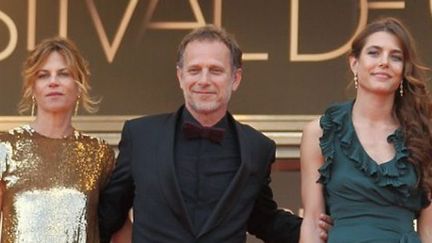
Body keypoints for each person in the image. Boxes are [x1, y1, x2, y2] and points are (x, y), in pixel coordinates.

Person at [98, 25, 331, 243]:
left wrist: (319, 228)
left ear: (235, 79)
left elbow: (262, 218)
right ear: (181, 77)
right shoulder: (141, 137)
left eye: (216, 71)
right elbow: (110, 213)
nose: (204, 80)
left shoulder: (257, 148)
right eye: (194, 70)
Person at [300, 17, 432, 242]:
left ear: (403, 70)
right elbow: (312, 222)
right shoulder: (320, 133)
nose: (384, 62)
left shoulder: (424, 134)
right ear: (354, 63)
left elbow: (429, 229)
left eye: (396, 57)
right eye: (374, 53)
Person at [0, 37, 115, 242]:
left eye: (64, 74)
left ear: (79, 86)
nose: (53, 81)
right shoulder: (5, 147)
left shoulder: (99, 154)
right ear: (32, 88)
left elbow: (118, 228)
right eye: (43, 75)